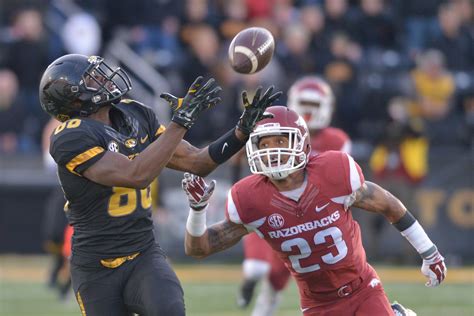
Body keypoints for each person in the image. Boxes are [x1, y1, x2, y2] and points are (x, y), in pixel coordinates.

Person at [39, 53, 282, 316]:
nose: (104, 79)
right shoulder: (69, 137)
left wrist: (240, 133)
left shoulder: (135, 114)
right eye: (92, 78)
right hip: (95, 266)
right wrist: (181, 123)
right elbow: (136, 175)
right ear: (75, 97)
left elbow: (198, 162)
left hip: (143, 254)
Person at [181, 106, 446, 316]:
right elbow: (199, 249)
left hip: (363, 288)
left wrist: (429, 252)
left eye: (280, 140)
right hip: (317, 304)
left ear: (303, 144)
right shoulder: (249, 198)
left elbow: (389, 204)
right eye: (264, 143)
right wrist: (197, 210)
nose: (272, 150)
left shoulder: (334, 172)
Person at [237, 76, 351, 315]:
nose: (309, 112)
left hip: (308, 215)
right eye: (305, 104)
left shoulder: (336, 140)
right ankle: (248, 283)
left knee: (279, 276)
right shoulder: (273, 129)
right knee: (255, 269)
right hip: (271, 207)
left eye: (315, 105)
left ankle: (262, 309)